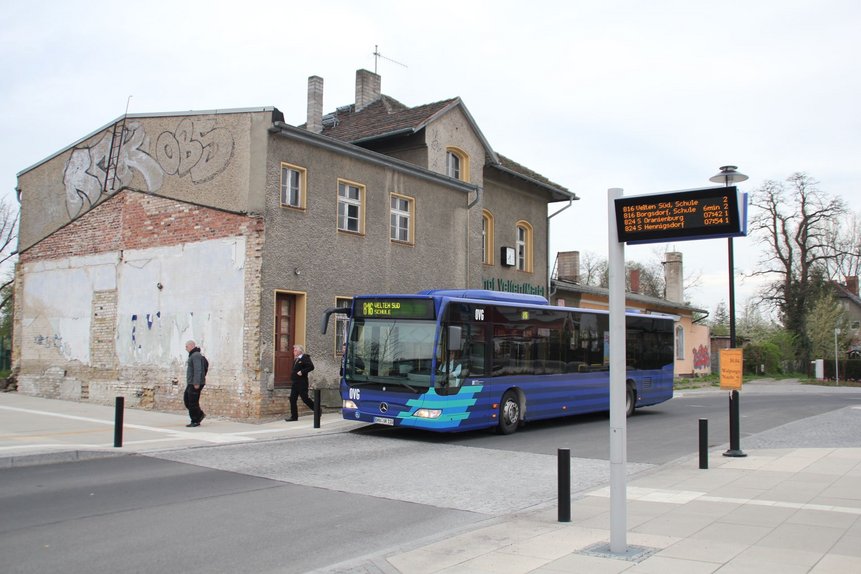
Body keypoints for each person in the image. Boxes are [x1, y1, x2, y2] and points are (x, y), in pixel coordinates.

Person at [287, 344, 315, 421]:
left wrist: (302, 372)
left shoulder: (304, 357)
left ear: (300, 351)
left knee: (305, 399)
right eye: (294, 350)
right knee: (292, 399)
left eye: (295, 350)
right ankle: (294, 417)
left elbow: (311, 367)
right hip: (295, 383)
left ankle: (317, 410)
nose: (294, 351)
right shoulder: (296, 359)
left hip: (302, 383)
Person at [184, 340, 207, 427]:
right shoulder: (193, 355)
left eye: (186, 347)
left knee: (192, 402)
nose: (185, 348)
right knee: (187, 400)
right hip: (191, 383)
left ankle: (195, 420)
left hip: (195, 383)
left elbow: (198, 369)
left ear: (191, 346)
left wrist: (196, 382)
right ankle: (199, 414)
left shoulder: (196, 355)